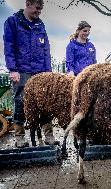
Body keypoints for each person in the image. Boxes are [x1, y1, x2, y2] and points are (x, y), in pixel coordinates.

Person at [3, 0, 56, 147]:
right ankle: (20, 136)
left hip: (40, 71)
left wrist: (48, 73)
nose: (39, 12)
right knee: (20, 101)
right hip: (21, 70)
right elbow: (9, 47)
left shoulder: (40, 25)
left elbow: (46, 50)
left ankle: (49, 135)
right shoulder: (12, 22)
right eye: (37, 8)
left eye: (41, 9)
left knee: (44, 102)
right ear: (28, 4)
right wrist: (13, 69)